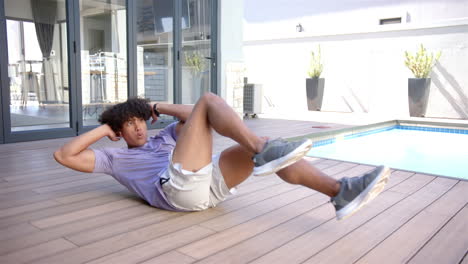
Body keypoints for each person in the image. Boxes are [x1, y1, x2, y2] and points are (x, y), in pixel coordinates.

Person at [54, 93, 390, 220]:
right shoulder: (113, 159)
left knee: (260, 146)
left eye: (140, 120)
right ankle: (262, 150)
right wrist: (105, 130)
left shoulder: (165, 137)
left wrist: (156, 107)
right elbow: (63, 155)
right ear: (120, 131)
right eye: (129, 124)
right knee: (210, 101)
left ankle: (339, 191)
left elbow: (196, 116)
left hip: (206, 185)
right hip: (174, 190)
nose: (138, 129)